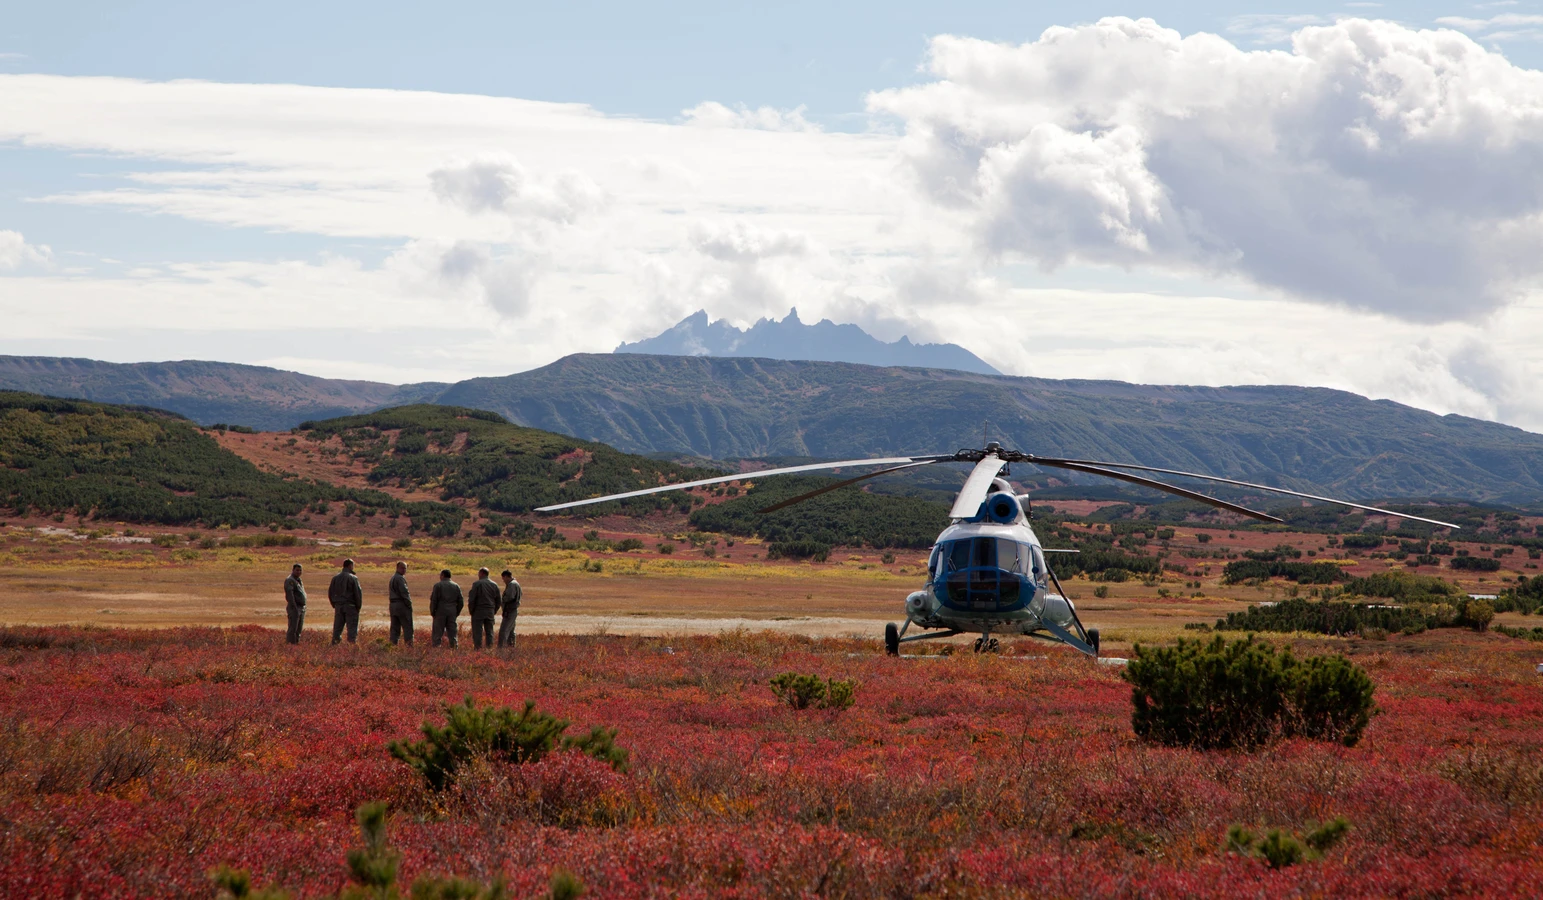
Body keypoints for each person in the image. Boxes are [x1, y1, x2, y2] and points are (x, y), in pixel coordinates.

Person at [328, 558, 364, 645]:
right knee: (351, 629)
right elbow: (358, 593)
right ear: (350, 566)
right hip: (350, 606)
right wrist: (358, 607)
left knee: (337, 629)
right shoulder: (353, 578)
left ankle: (334, 646)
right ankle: (351, 648)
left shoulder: (335, 578)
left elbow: (330, 593)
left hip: (339, 606)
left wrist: (335, 604)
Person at [467, 567, 501, 650]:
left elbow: (472, 599)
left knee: (477, 631)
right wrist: (494, 610)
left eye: (479, 573)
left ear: (482, 573)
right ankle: (489, 648)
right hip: (490, 611)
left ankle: (478, 649)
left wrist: (471, 610)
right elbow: (498, 600)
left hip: (478, 611)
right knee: (489, 631)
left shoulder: (477, 584)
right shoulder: (494, 584)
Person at [429, 569, 464, 647]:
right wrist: (456, 612)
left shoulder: (438, 585)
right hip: (452, 611)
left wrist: (433, 612)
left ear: (443, 575)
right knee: (452, 633)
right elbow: (461, 601)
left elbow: (434, 600)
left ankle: (436, 649)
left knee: (437, 633)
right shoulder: (456, 586)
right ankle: (454, 648)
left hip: (440, 611)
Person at [388, 561, 413, 645]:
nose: (404, 570)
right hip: (401, 605)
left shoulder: (393, 578)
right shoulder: (400, 578)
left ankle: (392, 646)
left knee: (394, 628)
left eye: (405, 568)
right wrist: (409, 604)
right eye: (402, 568)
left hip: (393, 605)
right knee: (408, 627)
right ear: (397, 568)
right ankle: (409, 648)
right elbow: (404, 593)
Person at [498, 569, 521, 649]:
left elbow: (509, 597)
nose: (503, 581)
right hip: (512, 610)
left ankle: (501, 650)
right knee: (511, 631)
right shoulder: (515, 583)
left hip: (510, 611)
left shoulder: (512, 585)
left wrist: (501, 600)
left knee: (503, 631)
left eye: (503, 578)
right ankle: (511, 648)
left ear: (506, 576)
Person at [284, 563, 307, 644]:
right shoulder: (290, 580)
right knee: (293, 628)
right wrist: (295, 607)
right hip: (295, 607)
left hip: (301, 607)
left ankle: (296, 644)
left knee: (299, 629)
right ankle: (290, 645)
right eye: (297, 570)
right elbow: (290, 595)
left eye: (300, 570)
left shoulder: (298, 580)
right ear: (293, 570)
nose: (299, 572)